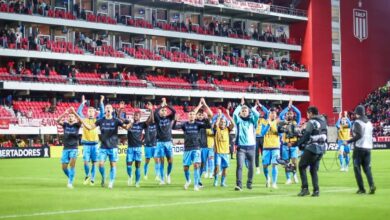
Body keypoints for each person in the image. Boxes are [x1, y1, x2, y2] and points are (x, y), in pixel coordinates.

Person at [81, 104, 129, 189]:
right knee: (100, 165)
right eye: (106, 108)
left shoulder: (116, 120)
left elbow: (126, 128)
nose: (108, 109)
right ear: (105, 110)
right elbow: (89, 127)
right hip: (103, 147)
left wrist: (130, 123)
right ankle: (103, 177)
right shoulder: (100, 121)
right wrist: (82, 121)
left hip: (113, 147)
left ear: (112, 110)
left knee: (113, 165)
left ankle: (111, 182)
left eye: (109, 108)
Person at [173, 105, 211, 191]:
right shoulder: (184, 124)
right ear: (188, 116)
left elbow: (208, 126)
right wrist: (175, 120)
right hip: (187, 149)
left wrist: (206, 118)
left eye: (193, 114)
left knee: (196, 165)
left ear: (195, 116)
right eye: (190, 114)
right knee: (186, 167)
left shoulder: (198, 124)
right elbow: (173, 127)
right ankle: (188, 180)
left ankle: (196, 184)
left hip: (196, 147)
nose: (191, 116)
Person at [296, 106, 327, 197]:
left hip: (313, 148)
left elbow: (306, 135)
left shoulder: (312, 121)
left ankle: (305, 189)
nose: (307, 115)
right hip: (321, 148)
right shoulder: (324, 120)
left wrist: (298, 143)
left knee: (301, 166)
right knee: (313, 169)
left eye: (308, 113)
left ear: (311, 113)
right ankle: (316, 190)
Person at [345, 105, 376, 194]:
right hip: (368, 148)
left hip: (359, 148)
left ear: (357, 114)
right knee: (367, 169)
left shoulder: (357, 122)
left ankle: (361, 189)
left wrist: (348, 141)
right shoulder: (369, 123)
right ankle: (372, 185)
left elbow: (359, 135)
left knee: (357, 168)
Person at [76, 95, 105, 186]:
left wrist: (101, 102)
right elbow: (78, 112)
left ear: (94, 113)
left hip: (95, 144)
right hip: (86, 144)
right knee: (85, 162)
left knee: (94, 163)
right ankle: (87, 175)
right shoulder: (83, 119)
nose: (91, 112)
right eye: (89, 111)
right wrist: (83, 103)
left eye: (92, 111)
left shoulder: (97, 120)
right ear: (87, 112)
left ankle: (92, 178)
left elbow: (103, 112)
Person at [233, 97, 260, 191]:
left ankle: (249, 183)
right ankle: (239, 185)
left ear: (248, 112)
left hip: (252, 147)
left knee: (251, 167)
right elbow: (234, 114)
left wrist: (250, 106)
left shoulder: (252, 121)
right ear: (240, 112)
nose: (244, 112)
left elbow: (257, 114)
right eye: (242, 111)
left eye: (245, 110)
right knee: (239, 166)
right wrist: (240, 105)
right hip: (241, 148)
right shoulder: (238, 121)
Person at [124, 108, 153, 188]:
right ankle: (130, 176)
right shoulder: (130, 123)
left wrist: (151, 110)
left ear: (140, 117)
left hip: (138, 148)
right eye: (135, 115)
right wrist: (120, 110)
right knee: (129, 165)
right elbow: (120, 118)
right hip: (130, 147)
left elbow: (150, 119)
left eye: (137, 115)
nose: (135, 116)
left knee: (137, 166)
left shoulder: (142, 124)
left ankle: (137, 182)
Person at [56, 107, 82, 189]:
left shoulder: (77, 125)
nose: (70, 117)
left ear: (74, 118)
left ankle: (70, 182)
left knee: (72, 165)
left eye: (72, 116)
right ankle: (71, 177)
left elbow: (81, 121)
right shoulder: (65, 125)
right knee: (64, 168)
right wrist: (65, 113)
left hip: (74, 148)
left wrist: (74, 113)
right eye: (69, 116)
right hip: (65, 148)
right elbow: (57, 120)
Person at [279, 100, 301, 184]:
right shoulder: (283, 122)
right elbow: (281, 115)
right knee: (286, 162)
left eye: (291, 113)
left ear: (293, 115)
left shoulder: (296, 122)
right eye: (288, 114)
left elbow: (298, 113)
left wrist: (292, 106)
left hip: (293, 145)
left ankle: (294, 175)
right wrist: (287, 108)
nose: (289, 115)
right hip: (285, 145)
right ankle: (288, 178)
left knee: (294, 161)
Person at [154, 98, 176, 185]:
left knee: (170, 161)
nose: (163, 111)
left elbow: (174, 111)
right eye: (162, 110)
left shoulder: (169, 118)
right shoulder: (157, 118)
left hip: (168, 142)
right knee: (162, 161)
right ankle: (162, 179)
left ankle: (168, 175)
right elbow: (155, 112)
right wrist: (161, 106)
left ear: (167, 112)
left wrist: (166, 105)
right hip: (160, 142)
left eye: (165, 110)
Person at [261, 107, 281, 189]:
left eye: (274, 113)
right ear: (269, 114)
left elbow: (280, 134)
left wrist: (279, 131)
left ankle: (274, 183)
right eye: (271, 113)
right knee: (265, 166)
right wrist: (268, 125)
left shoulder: (278, 123)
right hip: (266, 147)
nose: (273, 114)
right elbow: (262, 133)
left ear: (276, 115)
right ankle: (267, 178)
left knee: (274, 164)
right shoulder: (264, 122)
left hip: (275, 146)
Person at [213, 109, 235, 187]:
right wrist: (219, 116)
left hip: (226, 153)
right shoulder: (216, 129)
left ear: (226, 124)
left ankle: (223, 182)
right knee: (217, 167)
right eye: (221, 122)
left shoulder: (227, 129)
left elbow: (233, 124)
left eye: (224, 122)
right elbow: (216, 124)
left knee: (225, 168)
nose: (222, 123)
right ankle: (216, 181)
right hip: (218, 152)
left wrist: (228, 115)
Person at [196, 98, 214, 182]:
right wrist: (199, 105)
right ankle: (204, 172)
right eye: (199, 115)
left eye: (201, 115)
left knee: (210, 159)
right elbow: (192, 113)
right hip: (200, 145)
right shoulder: (195, 122)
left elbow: (211, 114)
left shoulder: (206, 121)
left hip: (208, 144)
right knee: (202, 161)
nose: (200, 116)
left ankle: (211, 172)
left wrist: (205, 104)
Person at [143, 102, 159, 181]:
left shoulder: (156, 124)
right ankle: (145, 174)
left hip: (155, 144)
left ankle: (157, 175)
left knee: (157, 160)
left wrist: (152, 110)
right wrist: (151, 110)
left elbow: (153, 118)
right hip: (148, 145)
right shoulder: (146, 124)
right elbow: (151, 118)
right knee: (147, 161)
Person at [255, 101, 269, 174]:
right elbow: (251, 112)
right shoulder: (255, 119)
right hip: (255, 138)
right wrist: (255, 106)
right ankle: (257, 168)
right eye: (258, 112)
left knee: (264, 153)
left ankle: (264, 165)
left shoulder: (265, 119)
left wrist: (260, 105)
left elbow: (267, 112)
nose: (260, 113)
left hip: (263, 138)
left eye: (261, 112)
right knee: (256, 154)